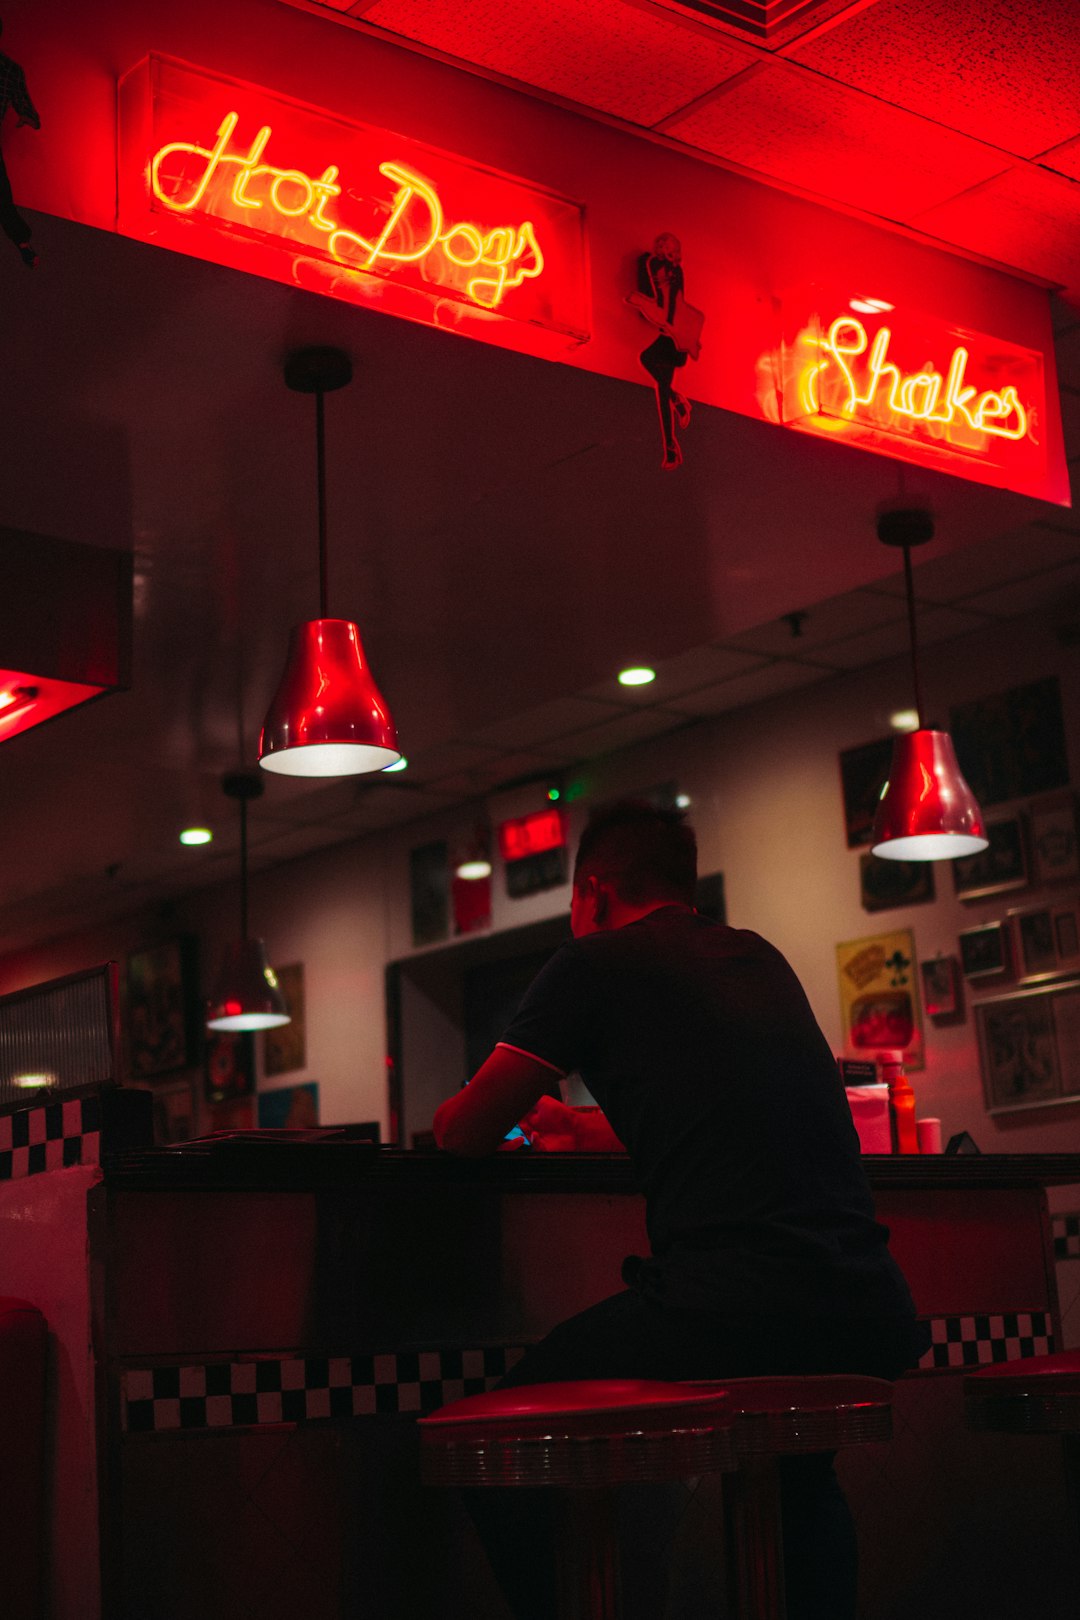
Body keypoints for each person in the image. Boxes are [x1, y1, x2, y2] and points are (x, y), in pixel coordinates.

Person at [434, 800, 927, 1620]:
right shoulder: (757, 958)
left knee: (501, 1444)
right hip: (860, 1304)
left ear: (593, 890)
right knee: (794, 1479)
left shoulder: (593, 963)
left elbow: (463, 1131)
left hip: (734, 1308)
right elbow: (718, 1106)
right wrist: (580, 1126)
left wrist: (502, 1114)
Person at [633, 233, 694, 470]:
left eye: (666, 247)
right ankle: (670, 442)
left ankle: (671, 442)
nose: (662, 250)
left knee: (648, 363)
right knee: (660, 384)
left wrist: (668, 325)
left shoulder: (674, 271)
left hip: (673, 330)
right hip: (669, 328)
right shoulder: (659, 265)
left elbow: (673, 301)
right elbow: (658, 290)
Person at [0, 18, 40, 269]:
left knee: (2, 195)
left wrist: (28, 117)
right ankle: (22, 243)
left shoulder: (10, 70)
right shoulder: (9, 69)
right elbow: (26, 108)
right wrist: (28, 117)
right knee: (2, 195)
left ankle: (22, 243)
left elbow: (26, 108)